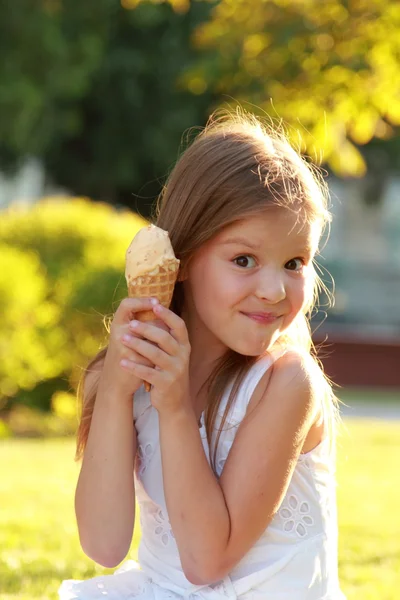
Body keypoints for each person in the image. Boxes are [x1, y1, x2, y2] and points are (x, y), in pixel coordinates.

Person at [59, 108, 346, 599]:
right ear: (183, 259)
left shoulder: (285, 384)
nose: (275, 289)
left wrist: (175, 409)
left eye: (294, 262)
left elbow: (207, 560)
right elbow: (104, 545)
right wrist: (114, 394)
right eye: (243, 260)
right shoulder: (125, 377)